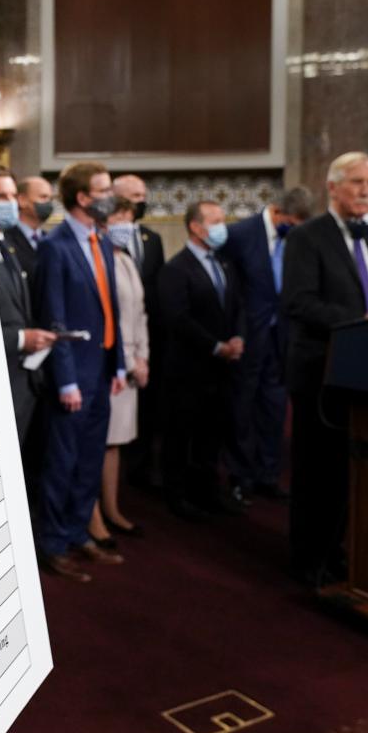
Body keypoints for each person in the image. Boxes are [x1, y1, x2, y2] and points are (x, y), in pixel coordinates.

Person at [282, 151, 368, 587]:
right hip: (320, 371)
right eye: (357, 183)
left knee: (350, 470)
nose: (366, 191)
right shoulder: (308, 237)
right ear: (332, 187)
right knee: (316, 471)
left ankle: (336, 552)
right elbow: (298, 302)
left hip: (366, 371)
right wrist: (358, 323)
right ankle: (308, 560)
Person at [34, 161, 128, 581]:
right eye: (105, 189)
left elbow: (112, 310)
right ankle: (52, 544)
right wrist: (66, 379)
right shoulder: (56, 245)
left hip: (104, 369)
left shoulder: (101, 240)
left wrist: (119, 361)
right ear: (84, 197)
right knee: (62, 461)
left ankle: (77, 534)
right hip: (73, 376)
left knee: (89, 459)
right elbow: (55, 318)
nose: (113, 195)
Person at [221, 187, 313, 504]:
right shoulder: (240, 234)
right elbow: (225, 288)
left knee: (274, 407)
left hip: (282, 337)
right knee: (242, 406)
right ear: (276, 212)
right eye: (291, 221)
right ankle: (239, 476)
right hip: (248, 335)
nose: (295, 228)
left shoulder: (298, 239)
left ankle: (267, 474)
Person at [158, 200, 246, 521]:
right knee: (182, 434)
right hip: (188, 369)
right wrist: (215, 346)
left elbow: (236, 306)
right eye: (216, 220)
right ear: (196, 227)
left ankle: (206, 492)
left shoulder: (224, 263)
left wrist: (237, 338)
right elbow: (177, 319)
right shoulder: (175, 269)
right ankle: (177, 496)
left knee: (212, 434)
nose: (223, 226)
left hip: (222, 369)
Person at [88, 196, 150, 546]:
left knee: (115, 444)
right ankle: (91, 515)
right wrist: (124, 361)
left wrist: (143, 358)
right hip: (108, 365)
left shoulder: (125, 260)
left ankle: (111, 509)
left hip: (131, 365)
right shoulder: (95, 260)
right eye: (120, 217)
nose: (127, 224)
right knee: (97, 442)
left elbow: (139, 314)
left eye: (130, 218)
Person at [0, 165, 56, 445]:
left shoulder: (6, 247)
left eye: (13, 196)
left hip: (22, 382)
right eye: (1, 196)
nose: (11, 203)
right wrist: (22, 338)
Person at [112, 174, 166, 492]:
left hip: (146, 340)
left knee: (148, 413)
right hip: (119, 347)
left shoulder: (151, 238)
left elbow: (153, 295)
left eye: (143, 195)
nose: (140, 202)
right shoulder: (106, 245)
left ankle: (143, 469)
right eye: (133, 196)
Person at [6, 176, 54, 279]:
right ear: (22, 200)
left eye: (50, 198)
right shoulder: (5, 238)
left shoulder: (50, 238)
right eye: (43, 197)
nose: (49, 203)